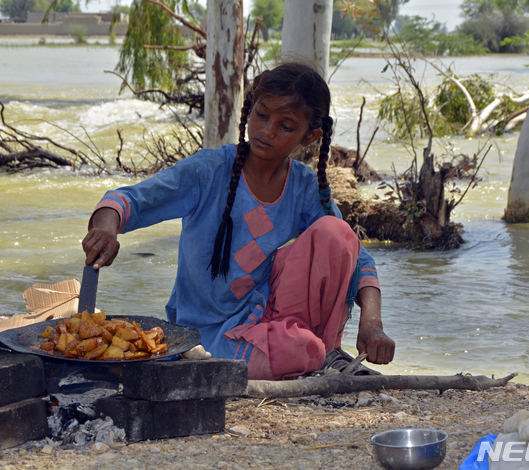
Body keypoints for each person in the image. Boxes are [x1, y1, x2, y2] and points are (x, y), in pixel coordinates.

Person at [82, 61, 395, 380]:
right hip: (206, 334)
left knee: (336, 233)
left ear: (310, 136)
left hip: (269, 317)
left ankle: (326, 353)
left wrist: (372, 325)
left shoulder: (305, 189)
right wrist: (106, 228)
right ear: (250, 109)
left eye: (286, 126)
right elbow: (126, 200)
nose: (267, 131)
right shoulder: (207, 171)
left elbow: (358, 260)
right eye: (261, 114)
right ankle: (314, 359)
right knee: (300, 351)